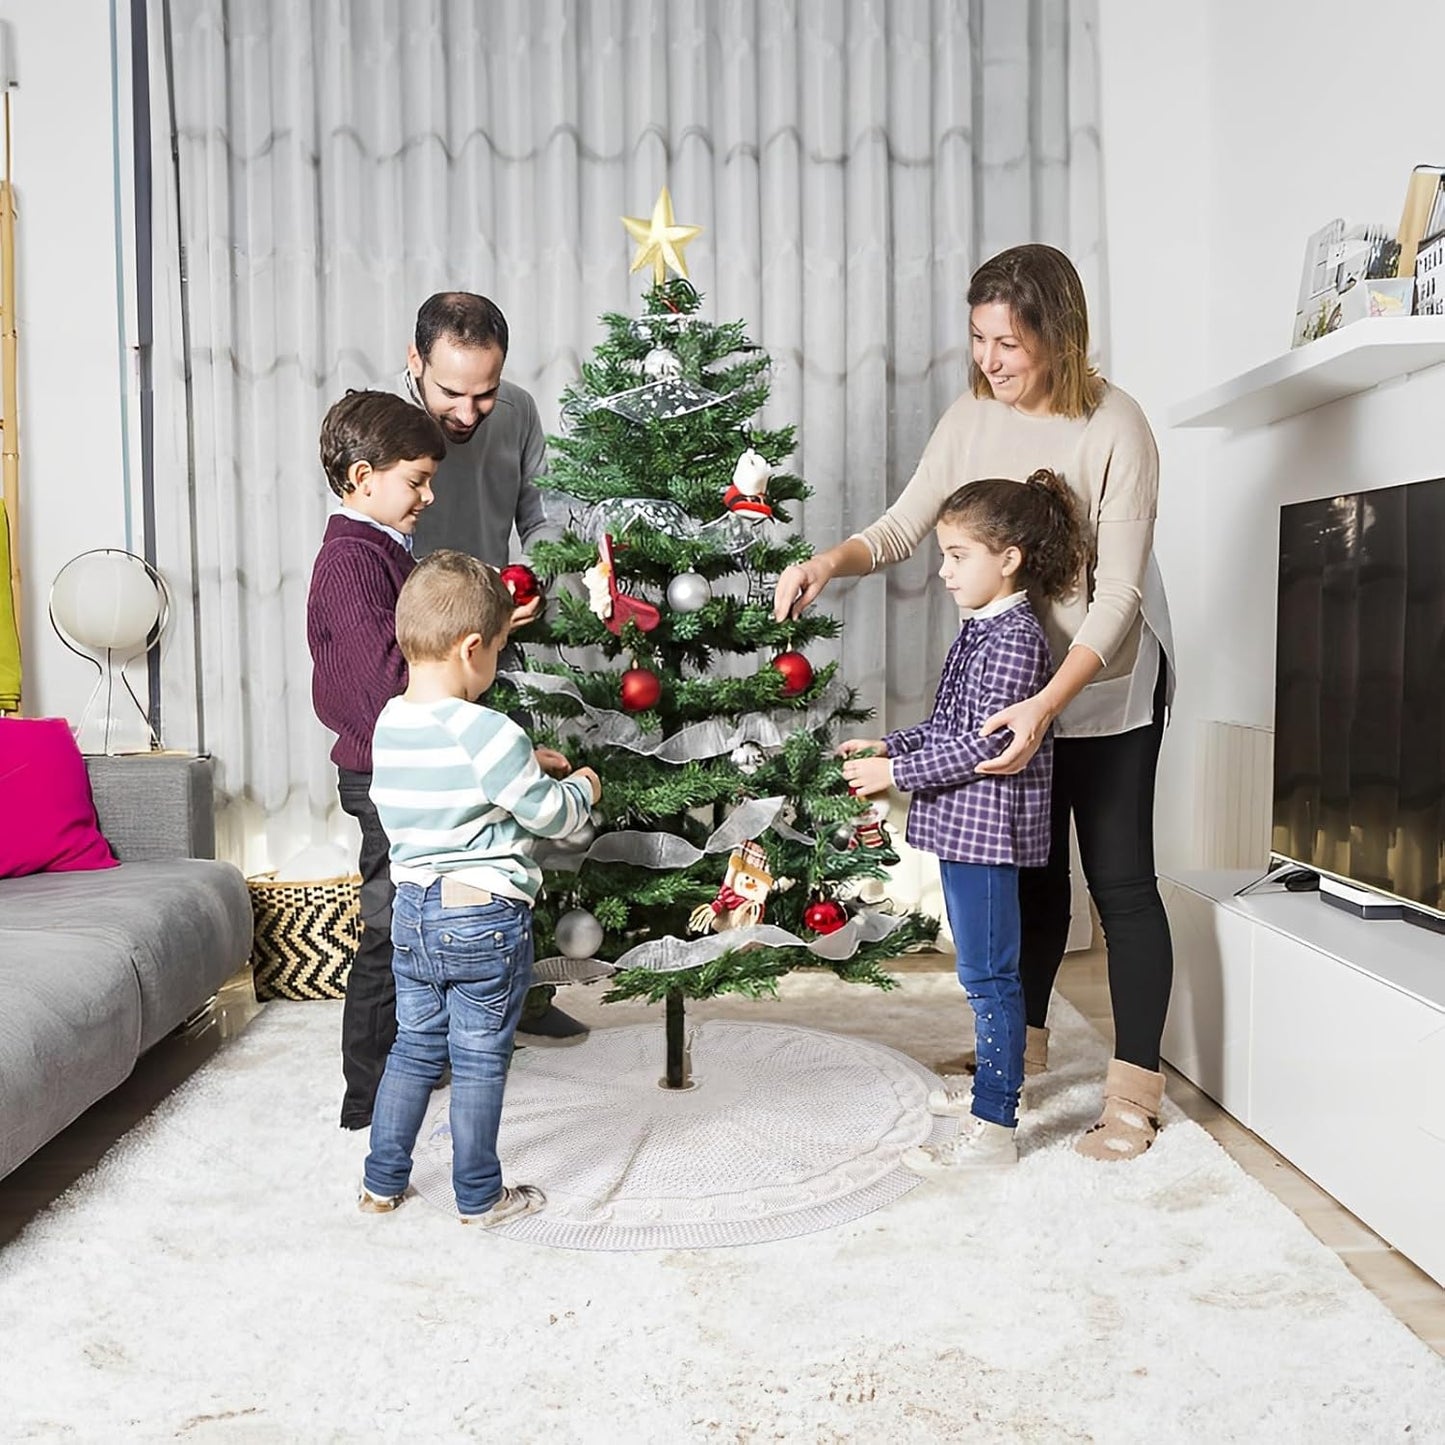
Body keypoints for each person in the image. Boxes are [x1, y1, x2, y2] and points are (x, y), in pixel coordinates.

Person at [775, 244, 1176, 1161]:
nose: (991, 360)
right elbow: (905, 523)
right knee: (1028, 877)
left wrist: (1046, 704)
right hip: (1011, 690)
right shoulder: (971, 416)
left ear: (1058, 333)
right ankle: (1020, 1049)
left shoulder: (1117, 426)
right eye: (978, 338)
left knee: (1118, 886)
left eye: (1009, 341)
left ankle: (1133, 1090)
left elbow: (1117, 597)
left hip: (1101, 691)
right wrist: (828, 562)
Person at [840, 471, 1087, 1170]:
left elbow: (986, 744)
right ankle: (993, 1088)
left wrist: (895, 775)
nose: (943, 571)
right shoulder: (983, 628)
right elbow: (950, 726)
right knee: (979, 970)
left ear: (1007, 558)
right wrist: (890, 746)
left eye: (956, 555)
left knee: (988, 975)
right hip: (960, 824)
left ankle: (995, 1124)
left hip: (986, 831)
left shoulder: (1013, 639)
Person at [358, 550, 600, 1223]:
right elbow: (548, 813)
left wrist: (524, 761)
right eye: (496, 647)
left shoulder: (390, 723)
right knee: (479, 1059)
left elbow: (457, 784)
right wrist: (580, 784)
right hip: (482, 917)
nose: (495, 658)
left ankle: (381, 1182)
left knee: (413, 1046)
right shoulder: (491, 732)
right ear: (471, 649)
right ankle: (478, 1195)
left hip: (411, 912)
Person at [400, 290, 589, 1046]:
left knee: (524, 821)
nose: (472, 411)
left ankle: (528, 1000)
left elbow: (540, 515)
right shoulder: (386, 430)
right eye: (453, 391)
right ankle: (429, 1029)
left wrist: (535, 575)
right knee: (437, 844)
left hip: (505, 643)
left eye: (486, 390)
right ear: (415, 363)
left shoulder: (516, 409)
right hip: (418, 656)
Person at [306, 389, 446, 1131]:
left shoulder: (382, 550)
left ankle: (414, 1060)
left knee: (416, 918)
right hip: (382, 775)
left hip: (408, 769)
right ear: (363, 477)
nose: (428, 494)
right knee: (389, 924)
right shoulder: (351, 564)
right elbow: (388, 682)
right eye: (415, 480)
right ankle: (366, 1096)